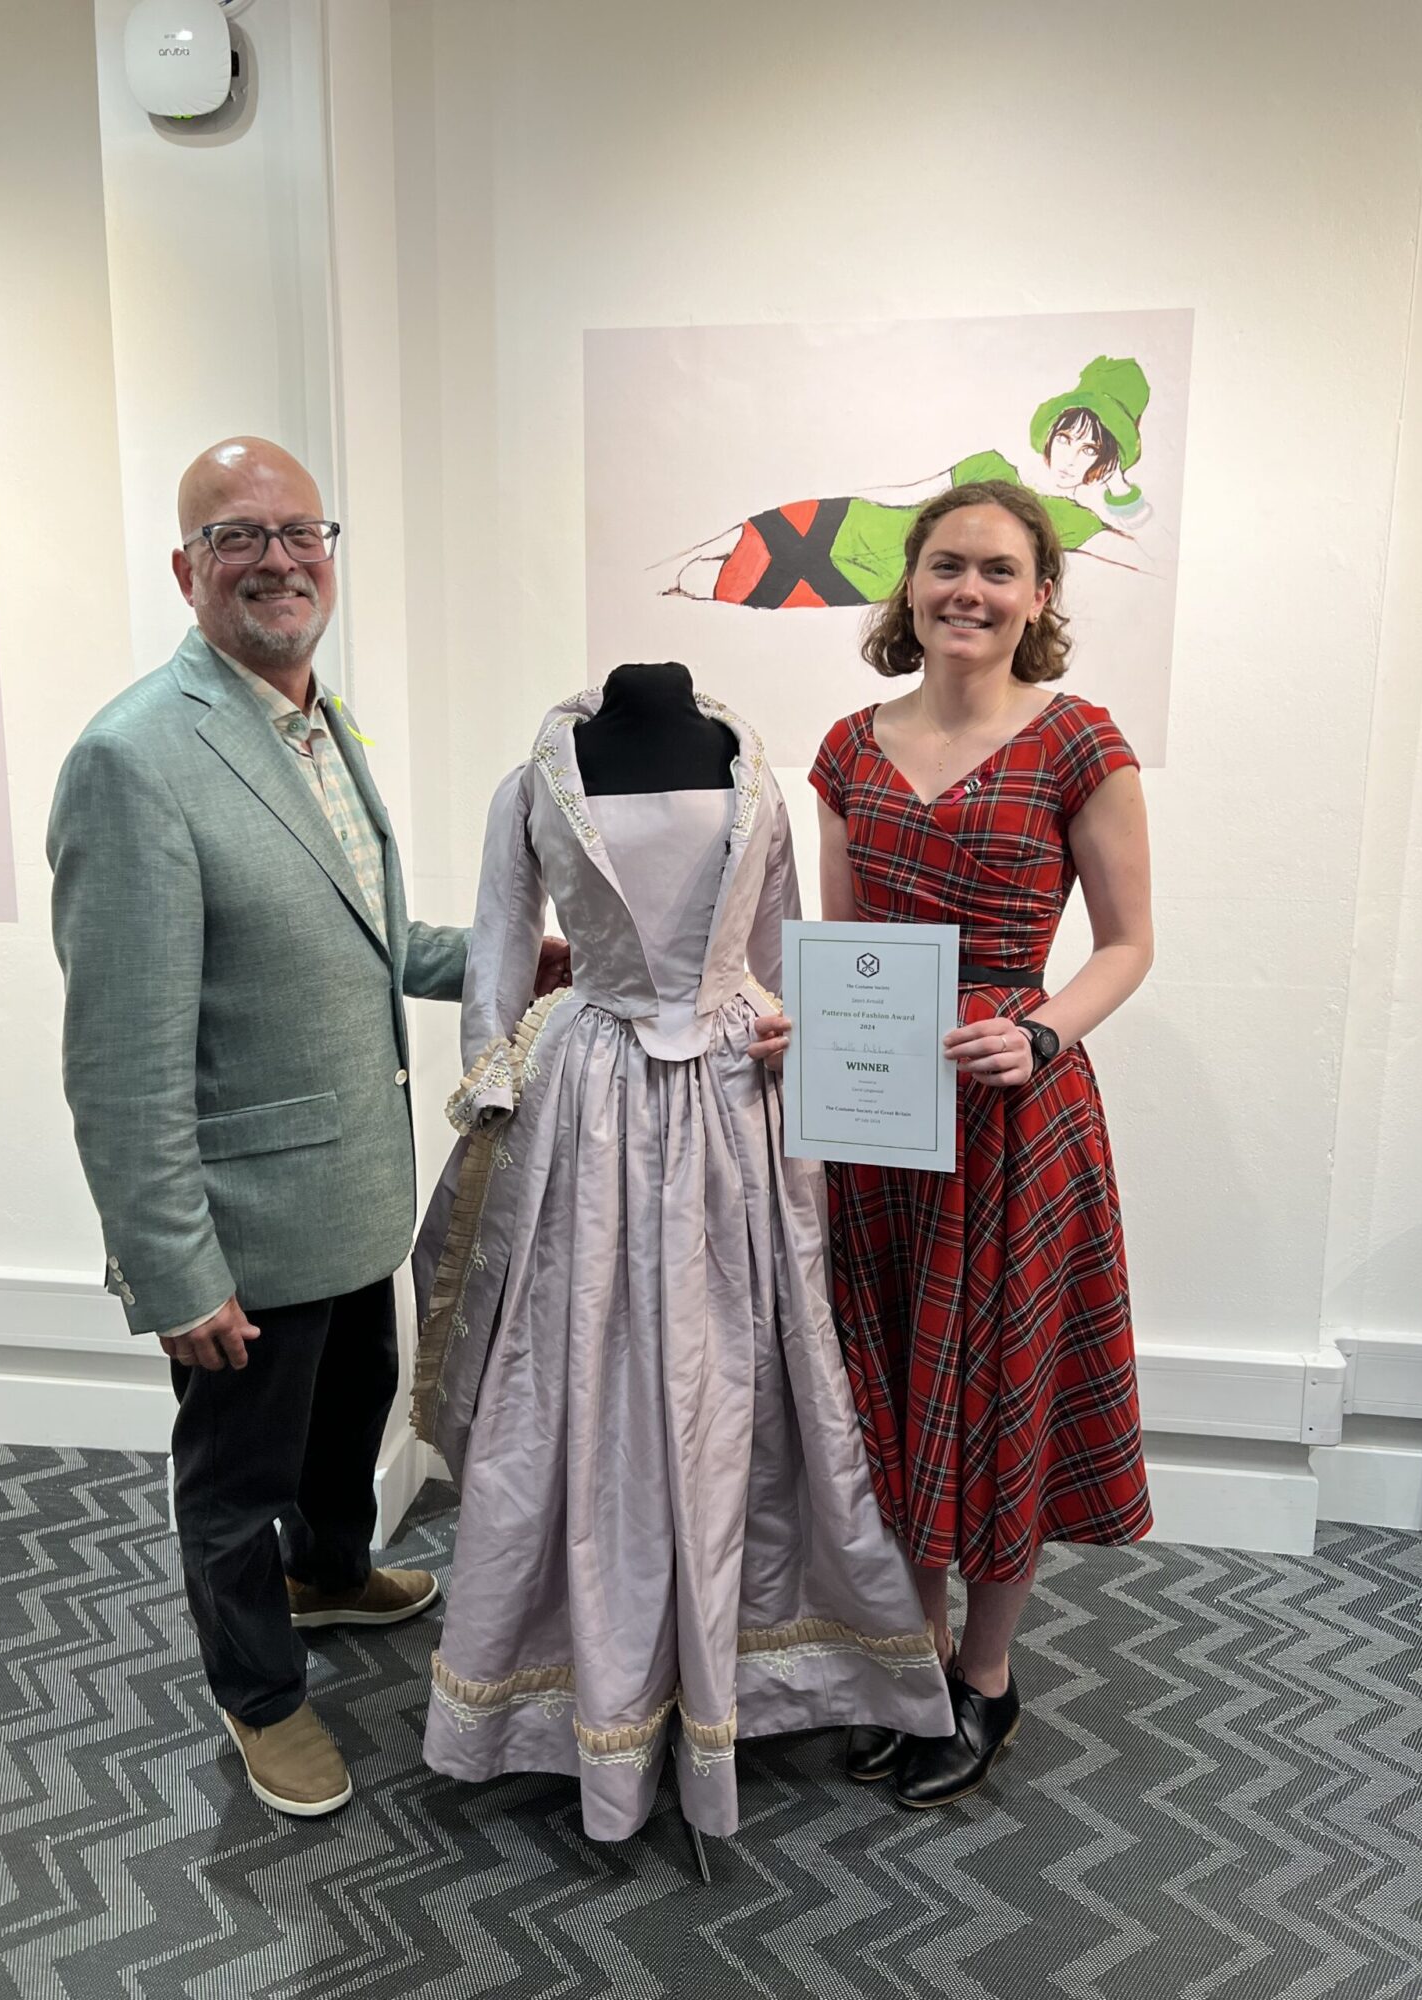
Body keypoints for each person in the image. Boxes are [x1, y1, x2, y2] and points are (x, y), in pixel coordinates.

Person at [46, 436, 567, 1820]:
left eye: (298, 531)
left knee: (348, 1430)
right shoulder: (136, 758)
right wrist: (174, 1267)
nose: (276, 557)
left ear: (329, 552)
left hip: (349, 1189)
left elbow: (362, 934)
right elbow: (118, 1056)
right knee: (235, 1479)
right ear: (185, 568)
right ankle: (258, 1695)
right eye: (236, 536)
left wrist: (521, 965)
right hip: (244, 1225)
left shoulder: (314, 719)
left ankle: (332, 1577)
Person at [408, 664, 953, 1845]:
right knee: (578, 1373)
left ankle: (747, 1669)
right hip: (587, 1092)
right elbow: (502, 949)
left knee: (738, 1374)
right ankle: (580, 1682)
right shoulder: (532, 784)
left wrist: (789, 1026)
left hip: (727, 1099)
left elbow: (778, 947)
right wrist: (493, 1079)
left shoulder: (751, 772)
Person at [750, 480, 1153, 1808]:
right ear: (908, 587)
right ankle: (910, 1660)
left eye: (996, 570)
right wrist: (791, 1027)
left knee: (1000, 1397)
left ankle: (986, 1677)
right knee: (894, 1394)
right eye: (943, 567)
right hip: (882, 1123)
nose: (965, 591)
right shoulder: (850, 749)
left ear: (1041, 596)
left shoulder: (1080, 743)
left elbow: (1129, 945)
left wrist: (1040, 1033)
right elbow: (844, 950)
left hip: (1019, 1118)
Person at [660, 355, 1153, 607]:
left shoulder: (1070, 520)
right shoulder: (990, 463)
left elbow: (1152, 559)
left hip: (872, 576)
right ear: (1051, 433)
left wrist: (1122, 489)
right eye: (1067, 438)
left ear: (1106, 461)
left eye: (1091, 449)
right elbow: (911, 493)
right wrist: (838, 499)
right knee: (706, 550)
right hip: (852, 521)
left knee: (699, 583)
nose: (1070, 456)